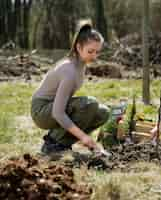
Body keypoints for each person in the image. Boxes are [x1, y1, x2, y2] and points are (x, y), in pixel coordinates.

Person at [31, 24, 109, 154]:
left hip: (53, 108)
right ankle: (52, 144)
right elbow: (58, 113)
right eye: (90, 51)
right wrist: (83, 137)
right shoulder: (69, 70)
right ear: (79, 47)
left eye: (97, 52)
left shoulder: (81, 64)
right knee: (90, 104)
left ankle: (62, 145)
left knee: (103, 112)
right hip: (41, 111)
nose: (94, 56)